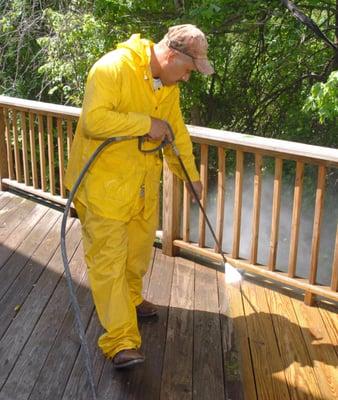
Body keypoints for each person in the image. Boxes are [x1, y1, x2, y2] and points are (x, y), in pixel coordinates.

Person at [65, 24, 214, 369]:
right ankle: (120, 341)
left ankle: (131, 299)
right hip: (103, 187)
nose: (188, 78)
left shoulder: (169, 88)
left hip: (141, 186)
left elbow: (177, 133)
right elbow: (93, 120)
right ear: (172, 56)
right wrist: (145, 123)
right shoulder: (112, 68)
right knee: (109, 264)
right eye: (189, 70)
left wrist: (189, 176)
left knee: (137, 255)